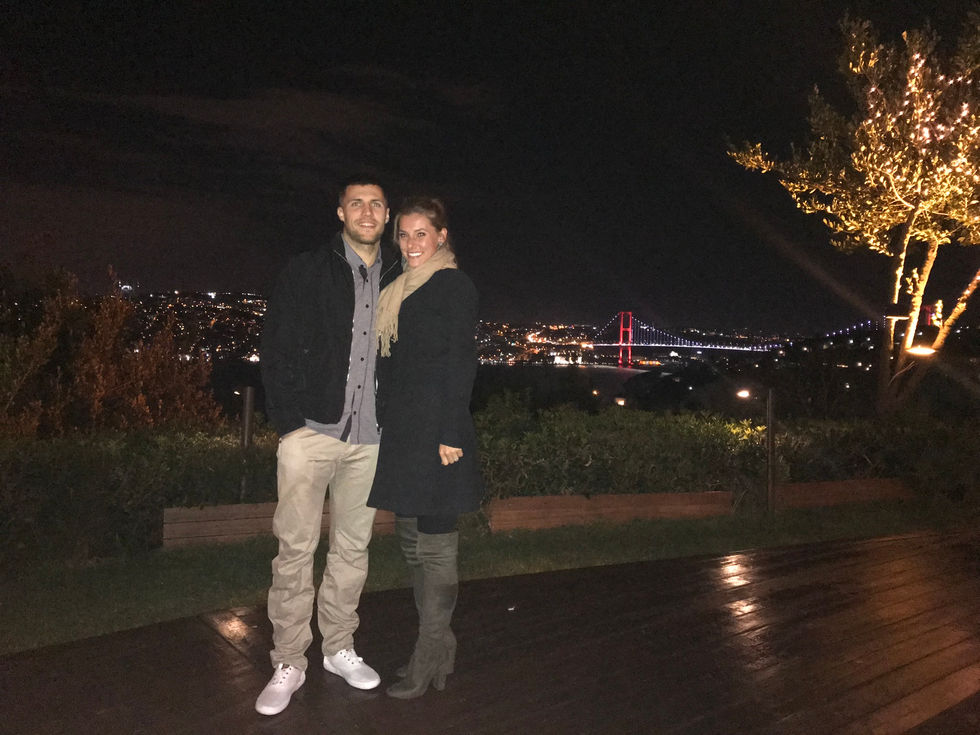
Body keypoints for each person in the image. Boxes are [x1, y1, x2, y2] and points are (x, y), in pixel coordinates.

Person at [255, 176, 402, 716]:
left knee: (352, 550)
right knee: (294, 550)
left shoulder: (401, 276)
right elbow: (277, 346)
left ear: (387, 214)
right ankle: (289, 660)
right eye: (356, 203)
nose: (366, 212)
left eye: (376, 204)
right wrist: (290, 424)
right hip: (311, 432)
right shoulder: (307, 269)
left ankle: (339, 647)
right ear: (340, 212)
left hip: (372, 439)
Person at [368, 196, 484, 699]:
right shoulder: (400, 286)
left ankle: (428, 651)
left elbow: (460, 360)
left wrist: (451, 432)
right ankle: (441, 643)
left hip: (439, 434)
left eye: (422, 233)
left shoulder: (453, 286)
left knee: (435, 545)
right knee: (411, 541)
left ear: (441, 237)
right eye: (404, 234)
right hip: (403, 432)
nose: (411, 243)